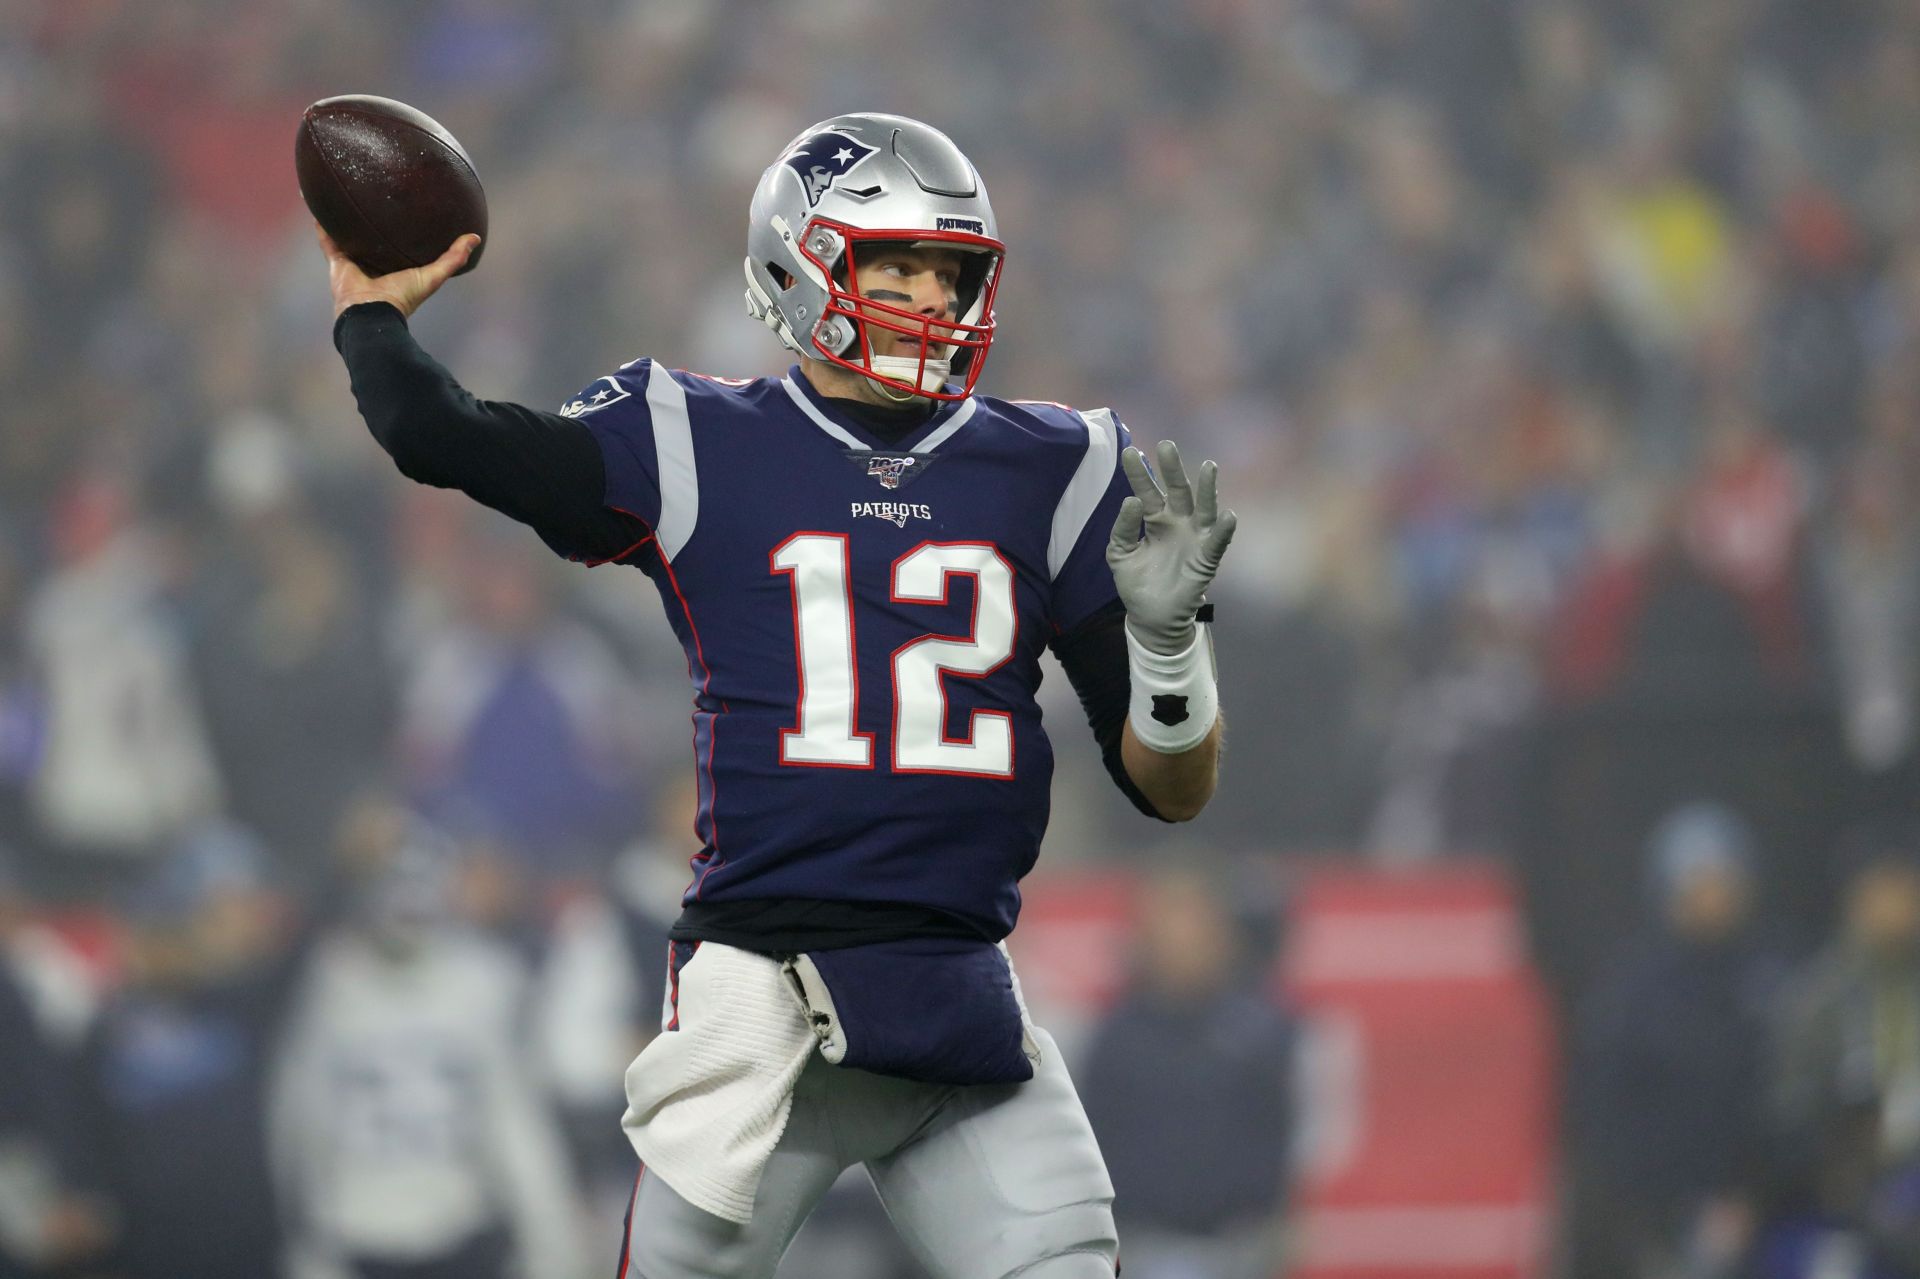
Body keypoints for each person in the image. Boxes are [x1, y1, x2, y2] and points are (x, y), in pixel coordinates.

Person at [318, 112, 1235, 1278]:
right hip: (760, 1011)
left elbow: (1173, 791)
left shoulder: (1055, 465)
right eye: (895, 261)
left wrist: (1166, 652)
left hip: (956, 1003)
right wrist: (370, 314)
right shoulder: (698, 438)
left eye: (947, 270)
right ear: (795, 264)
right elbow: (440, 434)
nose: (928, 296)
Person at [1566, 802, 1778, 1279]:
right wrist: (1668, 1209)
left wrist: (1753, 1196)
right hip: (1660, 1216)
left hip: (1763, 1209)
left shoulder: (1770, 979)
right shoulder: (1631, 993)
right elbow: (1606, 1114)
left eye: (1725, 882)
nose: (1714, 898)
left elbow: (1781, 1102)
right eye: (1699, 884)